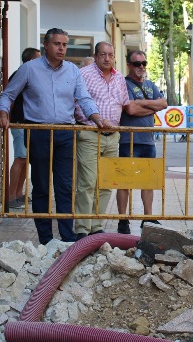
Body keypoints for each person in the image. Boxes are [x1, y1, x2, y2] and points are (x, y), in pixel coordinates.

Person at [0, 28, 101, 245]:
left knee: (65, 186)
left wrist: (97, 118)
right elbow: (8, 94)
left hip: (65, 133)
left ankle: (67, 238)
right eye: (57, 44)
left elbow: (84, 98)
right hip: (39, 133)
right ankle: (45, 239)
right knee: (41, 185)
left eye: (64, 44)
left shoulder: (73, 71)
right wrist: (3, 114)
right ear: (46, 45)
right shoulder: (29, 69)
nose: (61, 48)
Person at [74, 41, 129, 238]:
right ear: (96, 56)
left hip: (113, 136)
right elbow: (77, 102)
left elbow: (124, 104)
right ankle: (82, 228)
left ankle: (96, 225)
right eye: (103, 55)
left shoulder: (119, 78)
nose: (107, 58)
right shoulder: (84, 75)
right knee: (87, 182)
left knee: (106, 183)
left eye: (111, 55)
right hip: (89, 133)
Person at [116, 50, 168, 230]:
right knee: (124, 182)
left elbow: (163, 104)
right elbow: (130, 110)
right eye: (137, 64)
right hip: (128, 140)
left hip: (148, 141)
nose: (141, 67)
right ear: (129, 65)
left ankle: (148, 218)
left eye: (144, 63)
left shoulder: (150, 85)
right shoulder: (123, 83)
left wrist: (141, 104)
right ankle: (123, 220)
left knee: (148, 181)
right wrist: (152, 107)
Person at [7, 47, 40, 210]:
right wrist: (8, 118)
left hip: (27, 123)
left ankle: (19, 194)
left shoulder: (32, 75)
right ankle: (11, 196)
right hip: (19, 123)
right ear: (31, 60)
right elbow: (9, 97)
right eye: (38, 58)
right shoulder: (20, 74)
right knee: (20, 158)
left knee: (25, 159)